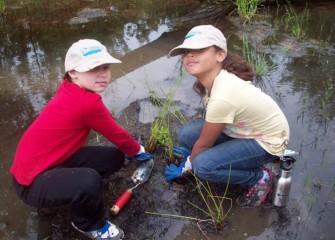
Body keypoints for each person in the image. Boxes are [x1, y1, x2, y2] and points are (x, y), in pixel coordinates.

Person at [10, 39, 153, 240]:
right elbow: (118, 135)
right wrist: (140, 152)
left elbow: (117, 142)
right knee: (90, 181)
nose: (103, 74)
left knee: (113, 158)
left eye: (105, 67)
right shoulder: (86, 103)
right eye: (94, 68)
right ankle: (87, 224)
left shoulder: (70, 88)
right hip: (30, 183)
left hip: (49, 164)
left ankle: (73, 191)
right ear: (73, 72)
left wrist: (130, 151)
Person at [164, 25, 290, 207]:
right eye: (186, 51)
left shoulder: (224, 95)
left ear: (220, 55)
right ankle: (233, 160)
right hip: (244, 130)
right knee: (186, 135)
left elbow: (205, 143)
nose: (189, 55)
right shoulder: (214, 81)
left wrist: (189, 165)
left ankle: (260, 176)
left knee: (203, 166)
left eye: (199, 49)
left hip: (268, 141)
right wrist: (194, 153)